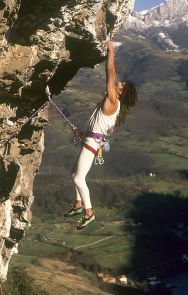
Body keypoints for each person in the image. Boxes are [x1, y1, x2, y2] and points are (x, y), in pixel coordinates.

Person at [64, 41, 138, 230]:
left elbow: (110, 74)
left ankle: (89, 213)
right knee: (74, 173)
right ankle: (78, 204)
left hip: (91, 143)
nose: (118, 83)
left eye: (121, 84)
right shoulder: (117, 107)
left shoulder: (113, 100)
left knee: (78, 179)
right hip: (91, 140)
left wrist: (110, 53)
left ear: (121, 91)